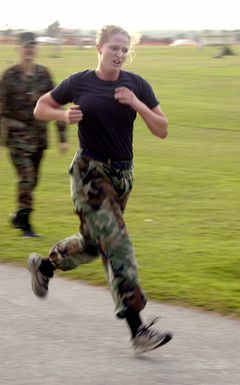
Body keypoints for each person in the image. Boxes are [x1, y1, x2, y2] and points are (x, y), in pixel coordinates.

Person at [28, 25, 172, 353]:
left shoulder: (136, 85)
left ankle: (45, 266)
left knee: (95, 244)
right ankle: (138, 330)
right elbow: (40, 108)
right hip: (88, 174)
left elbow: (162, 129)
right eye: (114, 48)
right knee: (116, 244)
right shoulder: (80, 82)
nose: (119, 54)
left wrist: (137, 103)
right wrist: (63, 116)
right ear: (99, 47)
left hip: (122, 176)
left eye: (124, 49)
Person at [0, 31, 69, 237]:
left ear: (35, 49)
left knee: (33, 180)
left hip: (39, 137)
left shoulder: (44, 75)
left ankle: (18, 216)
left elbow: (57, 104)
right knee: (27, 178)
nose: (29, 49)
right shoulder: (9, 76)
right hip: (17, 137)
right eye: (25, 46)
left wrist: (62, 138)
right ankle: (25, 223)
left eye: (32, 46)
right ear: (18, 49)